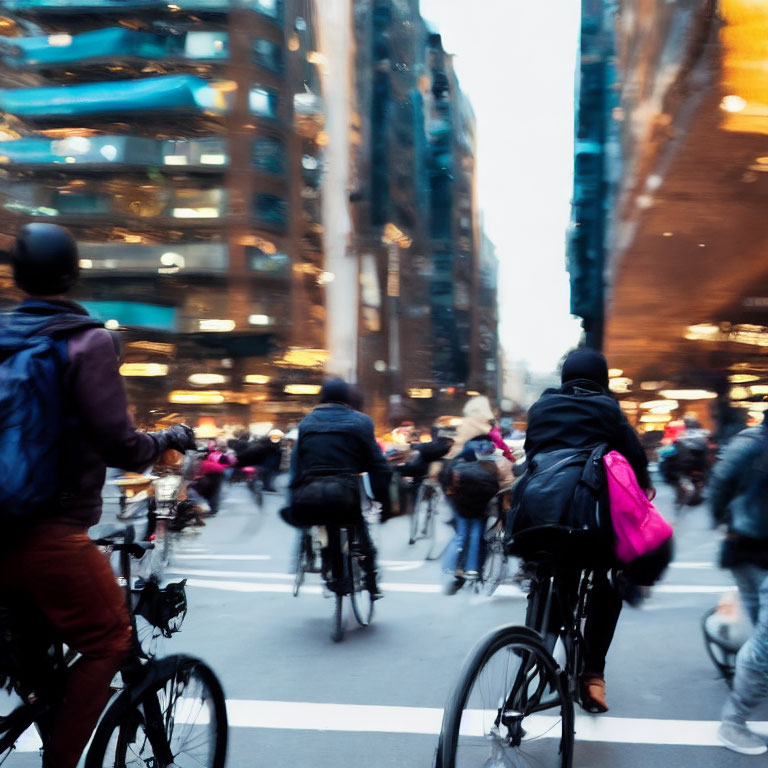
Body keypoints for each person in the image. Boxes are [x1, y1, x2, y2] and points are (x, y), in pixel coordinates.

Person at [0, 223, 197, 768]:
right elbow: (122, 445)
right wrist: (169, 439)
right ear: (74, 273)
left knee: (32, 655)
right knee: (111, 637)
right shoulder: (85, 342)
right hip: (47, 532)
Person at [521, 347, 655, 714]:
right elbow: (634, 461)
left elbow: (532, 455)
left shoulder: (540, 409)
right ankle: (593, 676)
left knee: (551, 571)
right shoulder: (607, 410)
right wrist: (643, 490)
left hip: (537, 518)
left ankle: (534, 645)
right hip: (588, 523)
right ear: (602, 380)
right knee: (607, 579)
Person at [286, 378, 391, 598]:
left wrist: (294, 496)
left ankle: (331, 571)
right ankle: (371, 579)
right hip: (345, 491)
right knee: (359, 527)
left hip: (312, 492)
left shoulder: (306, 423)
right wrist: (384, 501)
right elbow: (377, 465)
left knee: (325, 526)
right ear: (348, 398)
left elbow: (297, 466)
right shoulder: (361, 422)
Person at [709, 411, 768, 755]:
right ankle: (734, 722)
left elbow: (720, 482)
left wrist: (725, 521)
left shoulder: (747, 441)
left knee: (760, 626)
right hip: (754, 548)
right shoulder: (755, 446)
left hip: (742, 547)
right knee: (764, 642)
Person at [442, 438, 513, 593]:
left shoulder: (459, 462)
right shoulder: (499, 464)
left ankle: (449, 568)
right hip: (481, 506)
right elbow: (508, 485)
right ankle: (473, 570)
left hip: (460, 504)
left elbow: (448, 484)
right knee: (476, 535)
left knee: (461, 535)